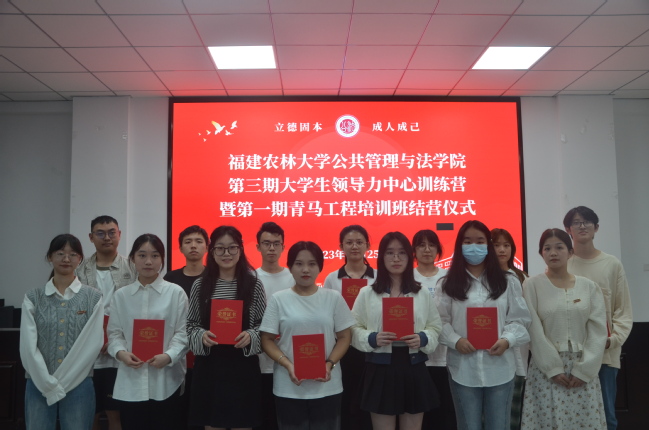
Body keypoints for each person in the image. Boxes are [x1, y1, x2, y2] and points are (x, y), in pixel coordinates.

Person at [438, 220, 531, 430]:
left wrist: (507, 340)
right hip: (463, 368)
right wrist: (456, 340)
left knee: (499, 425)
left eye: (480, 241)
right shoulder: (447, 283)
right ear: (459, 245)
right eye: (468, 241)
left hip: (500, 367)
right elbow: (439, 321)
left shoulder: (508, 281)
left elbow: (520, 319)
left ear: (488, 245)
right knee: (468, 426)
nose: (474, 247)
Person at [260, 241, 356, 430]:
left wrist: (329, 364)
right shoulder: (279, 299)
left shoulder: (333, 297)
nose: (305, 269)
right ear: (290, 267)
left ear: (320, 266)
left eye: (312, 264)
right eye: (299, 264)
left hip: (328, 387)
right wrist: (288, 365)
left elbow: (345, 337)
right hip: (288, 387)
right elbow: (266, 339)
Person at [351, 231, 442, 430]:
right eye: (390, 253)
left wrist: (423, 338)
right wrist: (372, 338)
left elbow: (435, 326)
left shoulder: (421, 293)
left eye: (401, 253)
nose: (396, 258)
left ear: (409, 257)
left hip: (413, 366)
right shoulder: (367, 293)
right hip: (380, 368)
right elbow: (353, 328)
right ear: (381, 257)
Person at [521, 228, 607, 429]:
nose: (553, 253)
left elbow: (598, 331)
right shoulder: (531, 286)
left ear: (570, 252)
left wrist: (584, 370)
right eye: (547, 248)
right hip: (546, 370)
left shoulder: (589, 287)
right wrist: (552, 368)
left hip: (583, 370)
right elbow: (533, 329)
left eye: (559, 247)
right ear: (541, 253)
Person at [20, 234, 104, 430]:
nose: (66, 259)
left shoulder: (93, 297)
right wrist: (47, 383)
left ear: (80, 259)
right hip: (38, 383)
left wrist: (62, 382)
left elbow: (92, 344)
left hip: (79, 383)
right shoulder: (33, 297)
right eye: (60, 253)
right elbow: (27, 346)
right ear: (50, 257)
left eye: (73, 254)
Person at [186, 226, 266, 430]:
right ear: (212, 252)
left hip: (243, 368)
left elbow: (263, 327)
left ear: (240, 249)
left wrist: (251, 335)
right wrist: (201, 335)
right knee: (212, 424)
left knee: (242, 424)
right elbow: (190, 325)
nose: (226, 254)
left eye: (232, 248)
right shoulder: (200, 285)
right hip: (209, 368)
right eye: (220, 248)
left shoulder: (254, 284)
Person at [107, 234, 189, 430]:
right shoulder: (121, 296)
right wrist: (121, 353)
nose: (148, 261)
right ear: (132, 258)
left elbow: (183, 334)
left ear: (162, 259)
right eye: (142, 255)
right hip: (131, 382)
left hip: (166, 380)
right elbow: (115, 334)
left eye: (155, 255)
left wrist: (168, 356)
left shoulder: (175, 293)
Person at [563, 206, 632, 430]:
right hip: (570, 355)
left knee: (606, 417)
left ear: (596, 228)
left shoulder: (612, 264)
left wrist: (612, 340)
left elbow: (623, 310)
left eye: (587, 222)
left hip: (604, 355)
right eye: (576, 222)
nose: (582, 226)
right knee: (571, 417)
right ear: (568, 230)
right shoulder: (563, 264)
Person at [77, 215, 136, 430]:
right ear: (91, 237)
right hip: (86, 355)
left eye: (112, 232)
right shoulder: (79, 269)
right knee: (88, 414)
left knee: (116, 416)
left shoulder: (132, 267)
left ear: (119, 235)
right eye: (100, 233)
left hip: (120, 354)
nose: (107, 238)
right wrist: (95, 338)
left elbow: (138, 309)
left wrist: (114, 341)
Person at [323, 225, 375, 430]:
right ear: (341, 247)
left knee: (368, 398)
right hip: (341, 347)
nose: (354, 246)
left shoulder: (378, 277)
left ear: (367, 246)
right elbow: (327, 313)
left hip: (370, 346)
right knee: (344, 398)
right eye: (349, 242)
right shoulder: (331, 278)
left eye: (359, 242)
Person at [164, 225, 209, 430]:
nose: (193, 246)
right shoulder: (170, 279)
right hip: (176, 352)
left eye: (199, 241)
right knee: (178, 410)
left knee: (201, 410)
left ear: (207, 247)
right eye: (188, 242)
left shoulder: (215, 278)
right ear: (180, 248)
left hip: (206, 352)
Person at [412, 229, 455, 430]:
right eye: (421, 245)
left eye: (431, 245)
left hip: (445, 356)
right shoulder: (407, 278)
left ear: (438, 249)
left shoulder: (449, 277)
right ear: (414, 251)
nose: (427, 249)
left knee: (445, 412)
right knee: (420, 413)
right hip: (416, 356)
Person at [254, 222, 294, 430]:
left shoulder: (293, 277)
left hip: (288, 359)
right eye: (266, 243)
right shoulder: (250, 278)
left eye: (276, 244)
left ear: (283, 247)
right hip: (257, 361)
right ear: (258, 247)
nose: (271, 248)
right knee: (261, 417)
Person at [491, 227, 529, 430]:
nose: (501, 250)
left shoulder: (522, 278)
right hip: (489, 353)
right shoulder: (481, 278)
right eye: (496, 245)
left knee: (512, 415)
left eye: (506, 245)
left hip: (516, 352)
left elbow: (526, 317)